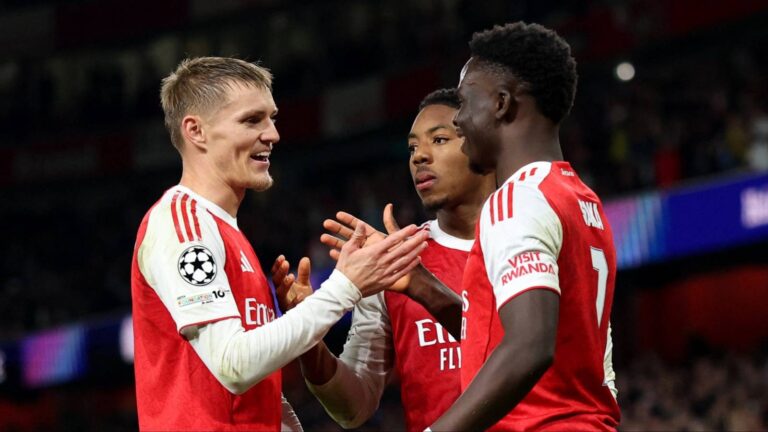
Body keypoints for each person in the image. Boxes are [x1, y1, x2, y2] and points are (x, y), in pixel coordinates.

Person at [130, 56, 428, 431]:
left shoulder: (227, 231)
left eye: (271, 118)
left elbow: (254, 392)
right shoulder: (182, 224)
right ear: (196, 131)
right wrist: (345, 286)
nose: (272, 134)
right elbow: (233, 365)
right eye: (252, 120)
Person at [427, 22, 621, 431]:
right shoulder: (582, 200)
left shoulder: (516, 199)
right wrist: (419, 285)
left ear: (501, 103)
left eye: (464, 102)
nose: (458, 120)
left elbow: (529, 346)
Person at [282, 89, 495, 431]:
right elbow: (353, 408)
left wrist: (422, 286)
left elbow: (535, 356)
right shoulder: (391, 260)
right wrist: (308, 336)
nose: (419, 156)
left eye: (439, 139)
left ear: (484, 144)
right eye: (412, 148)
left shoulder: (533, 236)